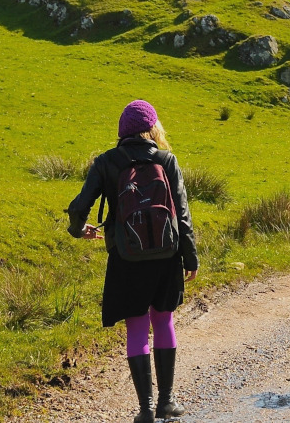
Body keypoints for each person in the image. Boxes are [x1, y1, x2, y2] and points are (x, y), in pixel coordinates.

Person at [67, 100, 198, 422]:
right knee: (164, 322)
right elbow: (181, 213)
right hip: (166, 256)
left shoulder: (107, 162)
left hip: (126, 257)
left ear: (122, 131)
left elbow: (79, 206)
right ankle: (166, 402)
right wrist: (190, 255)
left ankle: (144, 410)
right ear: (152, 129)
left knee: (137, 330)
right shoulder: (167, 160)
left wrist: (78, 229)